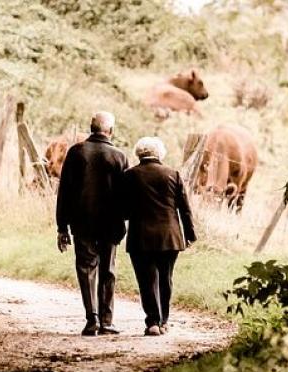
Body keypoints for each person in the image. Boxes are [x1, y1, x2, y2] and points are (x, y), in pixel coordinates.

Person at [56, 111, 128, 336]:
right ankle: (107, 321)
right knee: (108, 270)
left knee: (86, 269)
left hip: (82, 222)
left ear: (90, 127)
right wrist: (124, 220)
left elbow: (64, 192)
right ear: (111, 131)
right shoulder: (119, 156)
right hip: (111, 223)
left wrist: (62, 227)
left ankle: (92, 319)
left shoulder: (76, 152)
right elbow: (125, 196)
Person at [123, 137, 196, 336]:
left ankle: (152, 322)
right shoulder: (173, 174)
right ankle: (164, 321)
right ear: (159, 153)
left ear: (139, 153)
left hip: (140, 236)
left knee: (146, 280)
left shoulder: (129, 176)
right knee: (166, 278)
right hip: (170, 236)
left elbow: (123, 209)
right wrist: (189, 234)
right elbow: (185, 209)